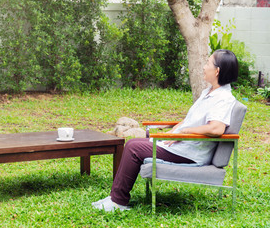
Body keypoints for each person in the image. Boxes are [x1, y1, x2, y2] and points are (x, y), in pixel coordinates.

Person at [92, 49, 239, 211]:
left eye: (207, 63)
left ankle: (118, 202)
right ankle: (115, 197)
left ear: (217, 71)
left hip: (189, 152)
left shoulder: (223, 99)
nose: (204, 67)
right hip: (181, 146)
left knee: (133, 147)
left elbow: (217, 128)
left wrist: (182, 133)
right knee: (139, 141)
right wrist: (172, 131)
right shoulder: (209, 92)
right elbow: (189, 120)